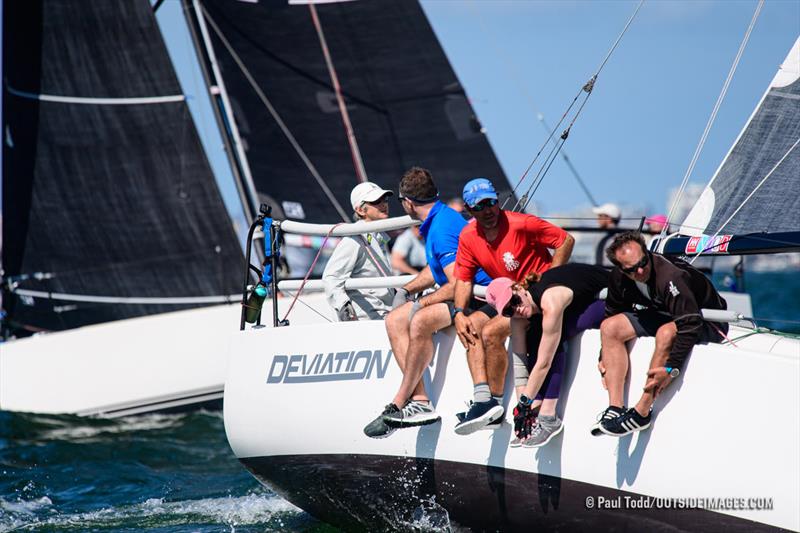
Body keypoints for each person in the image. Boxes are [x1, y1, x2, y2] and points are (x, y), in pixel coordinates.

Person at [363, 167, 492, 438]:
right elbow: (436, 269)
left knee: (419, 318)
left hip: (477, 296)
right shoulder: (440, 217)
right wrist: (408, 289)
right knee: (395, 318)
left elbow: (458, 283)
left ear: (407, 203)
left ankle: (401, 400)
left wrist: (422, 303)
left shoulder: (441, 229)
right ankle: (420, 401)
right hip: (465, 291)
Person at [452, 177, 574, 434]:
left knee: (490, 332)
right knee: (470, 325)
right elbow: (463, 279)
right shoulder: (468, 236)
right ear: (469, 210)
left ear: (497, 200)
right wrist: (458, 313)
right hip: (506, 298)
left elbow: (565, 240)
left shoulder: (521, 223)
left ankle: (495, 404)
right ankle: (483, 399)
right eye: (480, 206)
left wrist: (551, 280)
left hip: (531, 299)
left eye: (491, 203)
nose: (488, 211)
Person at [594, 231, 728, 436]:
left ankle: (641, 412)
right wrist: (604, 355)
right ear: (621, 269)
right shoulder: (618, 278)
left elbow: (690, 325)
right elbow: (612, 311)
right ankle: (615, 408)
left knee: (666, 332)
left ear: (647, 253)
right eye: (632, 270)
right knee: (609, 327)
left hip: (707, 321)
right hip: (666, 315)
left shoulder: (671, 276)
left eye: (643, 262)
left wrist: (672, 367)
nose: (640, 270)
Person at [484, 264, 607, 448]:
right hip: (579, 303)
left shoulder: (549, 300)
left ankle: (549, 417)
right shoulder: (517, 318)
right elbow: (520, 362)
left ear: (519, 288)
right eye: (508, 310)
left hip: (611, 298)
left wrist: (525, 403)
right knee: (533, 335)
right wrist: (522, 410)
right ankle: (537, 414)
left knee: (550, 337)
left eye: (514, 300)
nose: (516, 309)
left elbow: (544, 362)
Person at [322, 182, 394, 321]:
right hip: (367, 321)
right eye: (376, 201)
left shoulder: (378, 236)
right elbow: (331, 277)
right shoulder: (353, 239)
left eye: (385, 200)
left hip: (386, 316)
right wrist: (345, 308)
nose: (383, 204)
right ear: (361, 210)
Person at [592, 202, 622, 267]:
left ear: (609, 218)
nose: (598, 219)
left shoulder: (612, 237)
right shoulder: (620, 235)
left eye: (600, 216)